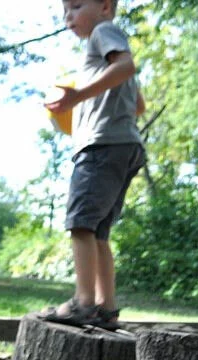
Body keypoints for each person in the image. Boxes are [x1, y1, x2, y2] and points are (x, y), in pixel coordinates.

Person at [41, 0, 146, 328]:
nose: (67, 16)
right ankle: (106, 307)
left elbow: (126, 67)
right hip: (125, 145)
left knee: (81, 224)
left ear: (104, 6)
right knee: (99, 231)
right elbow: (138, 105)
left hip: (101, 147)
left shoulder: (103, 32)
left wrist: (77, 97)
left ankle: (83, 303)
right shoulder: (105, 53)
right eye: (64, 10)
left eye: (75, 6)